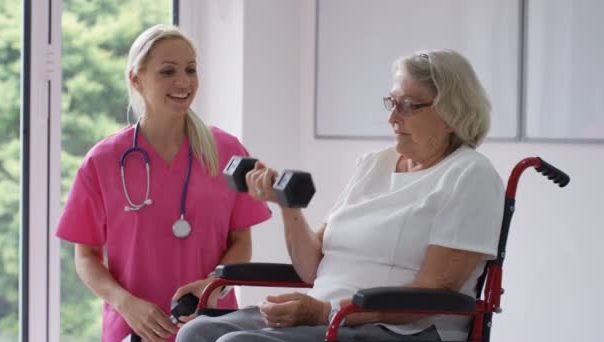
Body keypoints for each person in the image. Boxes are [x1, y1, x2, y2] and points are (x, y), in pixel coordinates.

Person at [175, 49, 505, 342]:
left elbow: (437, 289)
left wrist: (325, 311)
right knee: (196, 333)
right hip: (329, 317)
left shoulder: (470, 176)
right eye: (392, 102)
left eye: (409, 105)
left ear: (450, 113)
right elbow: (313, 269)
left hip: (402, 329)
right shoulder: (374, 164)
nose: (392, 117)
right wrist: (289, 208)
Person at [56, 24, 271, 342]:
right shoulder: (102, 161)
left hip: (213, 325)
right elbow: (85, 256)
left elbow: (241, 241)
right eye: (167, 71)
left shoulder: (226, 151)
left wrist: (213, 285)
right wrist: (125, 304)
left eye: (190, 69)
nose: (183, 81)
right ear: (136, 79)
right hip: (135, 328)